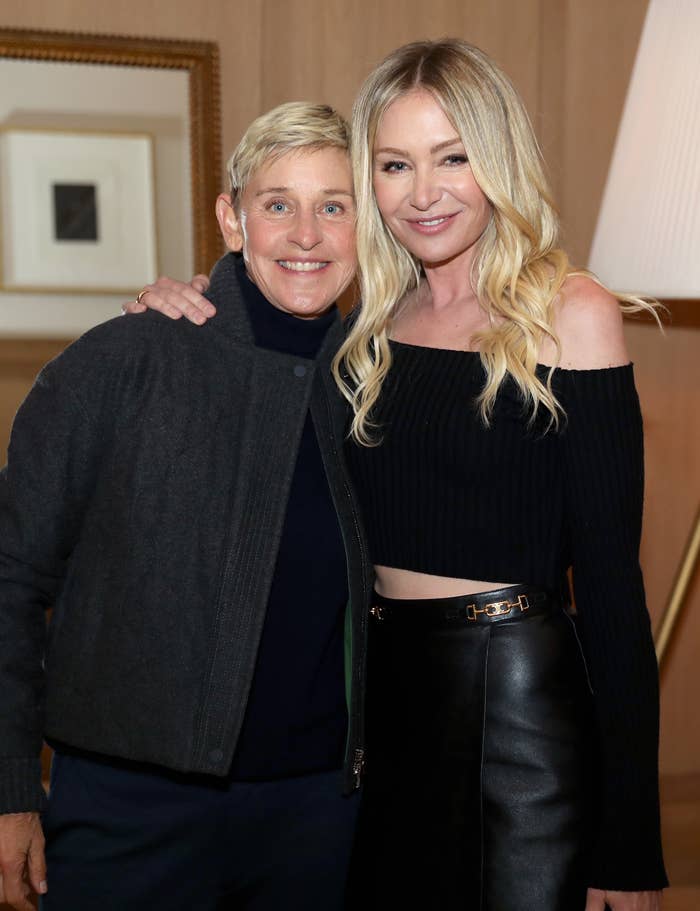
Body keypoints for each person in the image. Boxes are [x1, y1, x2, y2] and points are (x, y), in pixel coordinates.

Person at [127, 39, 667, 911]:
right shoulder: (365, 328)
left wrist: (631, 842)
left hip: (520, 717)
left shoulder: (571, 313)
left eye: (453, 157)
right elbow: (255, 342)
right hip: (379, 719)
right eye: (395, 164)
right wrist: (175, 304)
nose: (425, 191)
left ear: (497, 162)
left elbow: (610, 590)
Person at [0, 102, 371, 911]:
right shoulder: (123, 360)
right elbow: (11, 578)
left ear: (365, 225)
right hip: (129, 812)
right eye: (278, 204)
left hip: (319, 815)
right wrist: (9, 790)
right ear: (231, 219)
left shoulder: (378, 388)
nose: (306, 234)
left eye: (333, 206)